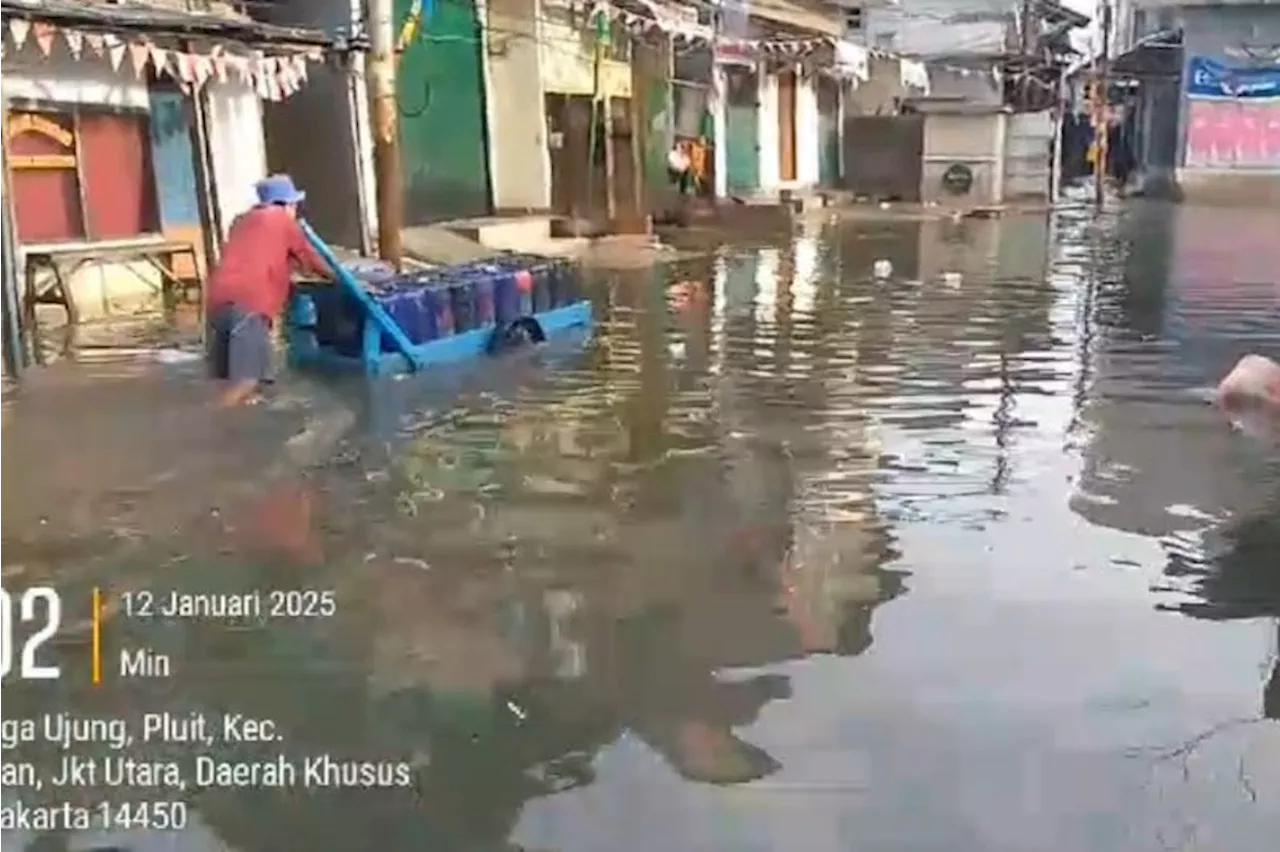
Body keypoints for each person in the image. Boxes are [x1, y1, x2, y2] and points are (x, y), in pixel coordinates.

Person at [205, 173, 332, 407]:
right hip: (249, 302)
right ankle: (204, 430)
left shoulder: (240, 222)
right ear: (286, 204)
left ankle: (231, 432)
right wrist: (342, 279)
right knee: (246, 382)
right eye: (295, 205)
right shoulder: (283, 221)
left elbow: (255, 257)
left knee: (225, 381)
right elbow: (311, 260)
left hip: (216, 301)